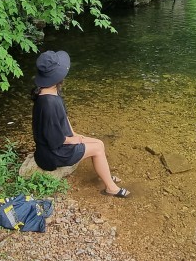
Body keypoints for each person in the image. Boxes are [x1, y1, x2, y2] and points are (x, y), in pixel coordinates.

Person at [31, 50, 130, 198]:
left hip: (55, 146)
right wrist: (72, 140)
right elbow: (54, 140)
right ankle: (111, 188)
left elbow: (64, 118)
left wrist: (75, 134)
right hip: (52, 154)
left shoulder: (49, 92)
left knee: (99, 143)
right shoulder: (49, 104)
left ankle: (105, 175)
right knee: (97, 148)